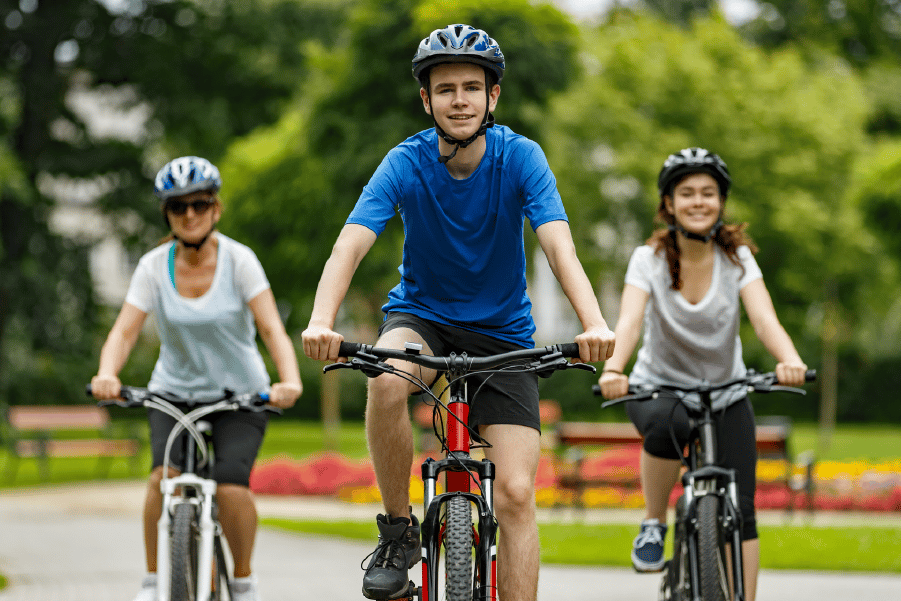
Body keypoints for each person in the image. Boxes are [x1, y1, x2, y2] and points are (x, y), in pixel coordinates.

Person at [302, 23, 615, 601]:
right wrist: (323, 320)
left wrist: (594, 323)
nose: (460, 99)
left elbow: (557, 244)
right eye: (445, 89)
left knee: (518, 494)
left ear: (493, 96)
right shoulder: (405, 161)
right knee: (386, 383)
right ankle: (398, 533)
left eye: (473, 86)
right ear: (426, 100)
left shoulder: (521, 158)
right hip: (422, 317)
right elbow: (349, 244)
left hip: (503, 335)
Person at [597, 148, 807, 601]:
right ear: (668, 204)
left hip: (725, 393)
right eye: (686, 193)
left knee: (744, 513)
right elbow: (630, 321)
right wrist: (614, 368)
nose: (698, 201)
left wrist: (789, 360)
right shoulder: (646, 259)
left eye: (708, 193)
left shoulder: (738, 260)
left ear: (721, 202)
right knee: (669, 424)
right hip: (658, 388)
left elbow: (765, 319)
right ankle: (654, 524)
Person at [90, 156, 302, 601]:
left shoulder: (239, 262)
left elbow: (271, 329)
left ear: (216, 209)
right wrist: (107, 374)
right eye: (178, 206)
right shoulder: (151, 266)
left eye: (200, 204)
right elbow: (124, 332)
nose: (190, 214)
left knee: (230, 486)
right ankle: (153, 582)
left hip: (240, 397)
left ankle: (242, 581)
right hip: (173, 394)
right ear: (167, 213)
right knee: (160, 479)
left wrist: (289, 381)